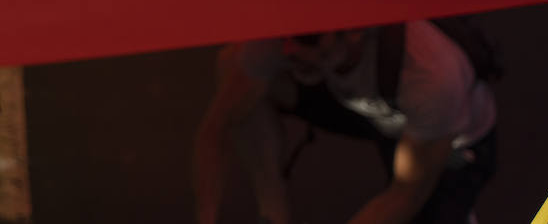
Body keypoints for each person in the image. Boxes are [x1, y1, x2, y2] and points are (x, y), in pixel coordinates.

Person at [195, 23, 497, 224]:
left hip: (448, 143)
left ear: (353, 31)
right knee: (240, 72)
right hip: (368, 108)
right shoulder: (283, 40)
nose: (291, 49)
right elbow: (216, 128)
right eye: (286, 35)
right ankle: (272, 214)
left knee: (430, 210)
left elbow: (406, 192)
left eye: (307, 37)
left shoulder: (430, 75)